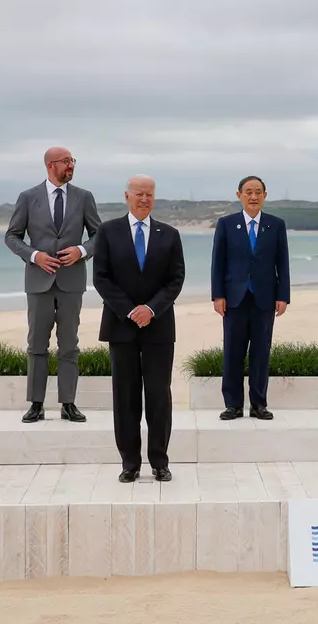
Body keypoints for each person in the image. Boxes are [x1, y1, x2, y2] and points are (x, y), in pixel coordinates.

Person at [93, 175, 184, 483]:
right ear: (127, 196)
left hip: (159, 326)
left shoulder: (169, 234)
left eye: (149, 194)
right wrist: (131, 310)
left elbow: (176, 279)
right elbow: (101, 277)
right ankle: (129, 463)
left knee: (159, 396)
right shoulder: (108, 232)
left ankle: (160, 461)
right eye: (139, 194)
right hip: (121, 326)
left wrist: (151, 309)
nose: (144, 199)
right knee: (125, 397)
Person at [5, 147, 102, 424]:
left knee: (69, 344)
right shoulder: (28, 197)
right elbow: (12, 236)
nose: (71, 165)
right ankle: (36, 404)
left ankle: (68, 403)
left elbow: (99, 235)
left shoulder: (84, 197)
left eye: (72, 161)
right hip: (39, 282)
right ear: (50, 165)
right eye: (65, 161)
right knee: (36, 344)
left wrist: (81, 251)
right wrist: (34, 255)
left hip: (72, 282)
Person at [210, 175, 290, 421]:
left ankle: (258, 404)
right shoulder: (226, 224)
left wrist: (283, 296)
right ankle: (233, 405)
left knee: (261, 353)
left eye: (258, 192)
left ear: (264, 195)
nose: (253, 197)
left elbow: (282, 263)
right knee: (232, 352)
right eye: (248, 192)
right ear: (239, 195)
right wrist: (218, 295)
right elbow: (218, 262)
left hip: (264, 298)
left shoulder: (276, 225)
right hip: (234, 298)